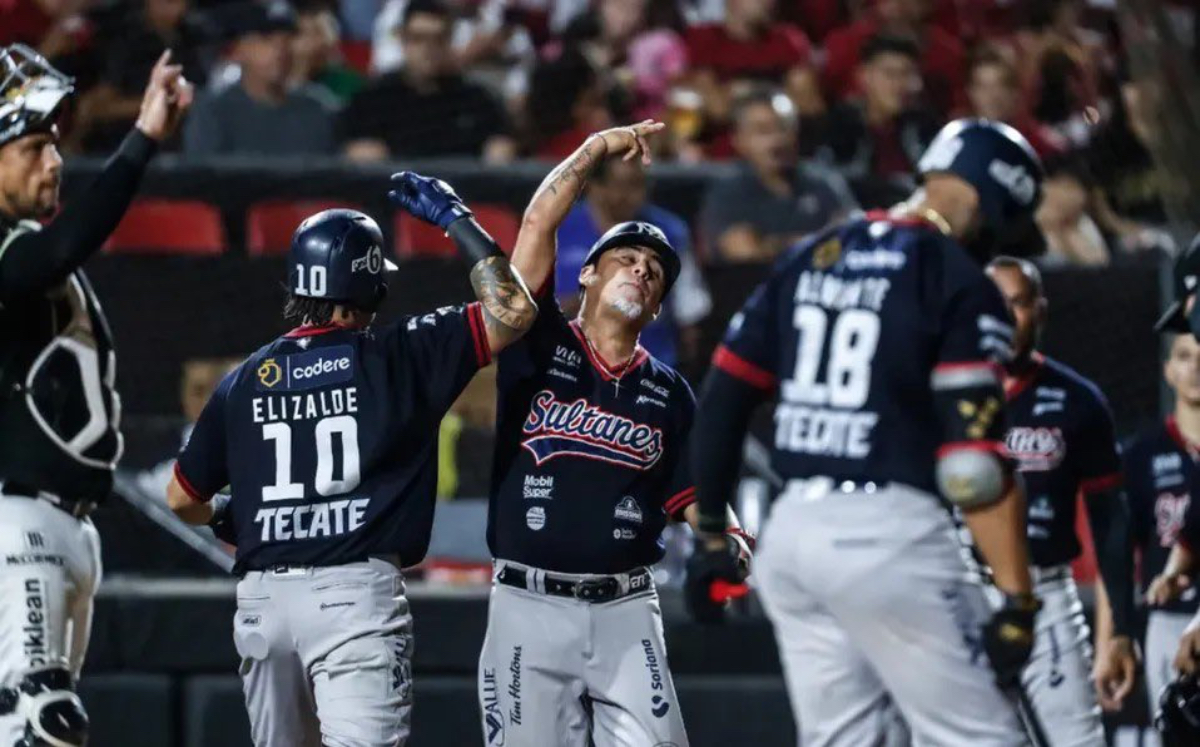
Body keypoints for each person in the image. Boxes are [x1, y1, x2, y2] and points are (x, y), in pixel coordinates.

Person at [686, 119, 1045, 745]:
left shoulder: (814, 253)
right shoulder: (955, 278)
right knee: (986, 738)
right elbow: (973, 469)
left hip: (792, 537)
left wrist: (712, 533)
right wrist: (1017, 602)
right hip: (889, 537)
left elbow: (722, 402)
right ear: (992, 202)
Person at [165, 180, 537, 746]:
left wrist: (225, 515)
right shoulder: (401, 353)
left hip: (264, 601)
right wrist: (455, 218)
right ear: (371, 284)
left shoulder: (245, 379)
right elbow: (513, 310)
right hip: (353, 597)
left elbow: (180, 498)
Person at [475, 120, 751, 747]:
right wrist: (595, 148)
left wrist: (730, 537)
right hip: (527, 604)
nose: (642, 270)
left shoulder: (669, 391)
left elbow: (695, 495)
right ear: (587, 275)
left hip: (627, 610)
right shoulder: (534, 341)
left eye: (654, 271)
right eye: (625, 259)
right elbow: (537, 224)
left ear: (657, 308)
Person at [0, 44, 191, 747]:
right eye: (31, 148)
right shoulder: (16, 249)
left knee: (25, 721)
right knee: (38, 720)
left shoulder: (24, 244)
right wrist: (141, 141)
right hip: (17, 520)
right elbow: (61, 249)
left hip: (69, 525)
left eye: (54, 145)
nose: (53, 163)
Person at [984, 256, 1137, 741]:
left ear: (1040, 311)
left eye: (1018, 304)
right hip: (959, 596)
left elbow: (1111, 522)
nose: (1007, 318)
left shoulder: (1078, 400)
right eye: (995, 304)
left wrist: (1119, 630)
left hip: (1044, 595)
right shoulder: (935, 393)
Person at [554, 157, 711, 367]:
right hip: (573, 366)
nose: (631, 196)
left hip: (650, 368)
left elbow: (689, 314)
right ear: (594, 186)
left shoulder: (671, 233)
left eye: (638, 185)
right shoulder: (557, 230)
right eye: (620, 185)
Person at [1122, 331, 1200, 730]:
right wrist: (1116, 633)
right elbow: (1118, 547)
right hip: (1169, 620)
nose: (1196, 368)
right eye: (1185, 356)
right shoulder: (1143, 453)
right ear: (1167, 370)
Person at [341, 0, 515, 162]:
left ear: (450, 41)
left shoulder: (478, 101)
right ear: (402, 39)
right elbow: (354, 156)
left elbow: (500, 153)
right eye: (419, 39)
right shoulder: (372, 101)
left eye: (438, 39)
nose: (428, 49)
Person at [700, 86, 857, 264]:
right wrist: (819, 243)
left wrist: (769, 244)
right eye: (763, 131)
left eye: (783, 128)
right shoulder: (728, 191)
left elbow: (853, 242)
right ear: (739, 140)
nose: (777, 141)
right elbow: (744, 253)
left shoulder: (824, 183)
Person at [183, 1, 336, 157]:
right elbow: (201, 170)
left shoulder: (316, 111)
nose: (281, 49)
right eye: (266, 39)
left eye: (288, 39)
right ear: (238, 49)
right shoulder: (214, 113)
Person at [815, 33, 940, 188]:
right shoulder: (839, 128)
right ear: (864, 76)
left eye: (906, 74)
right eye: (890, 74)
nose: (899, 84)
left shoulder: (923, 126)